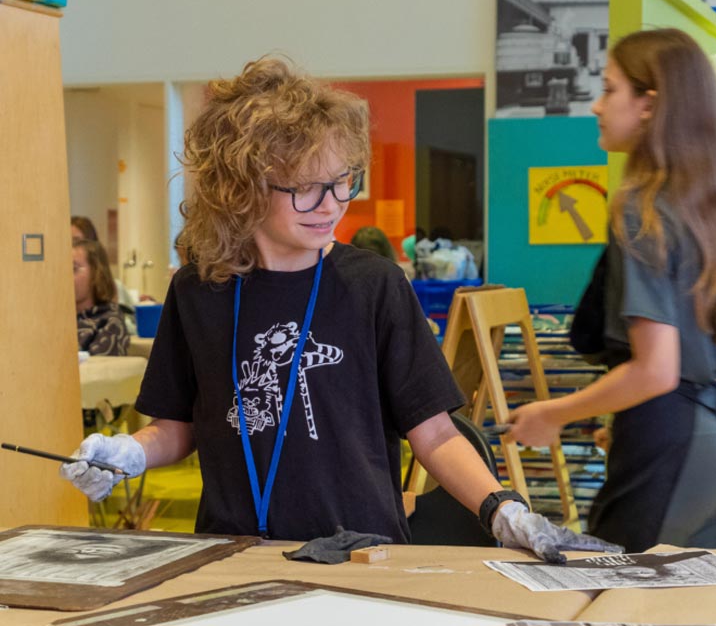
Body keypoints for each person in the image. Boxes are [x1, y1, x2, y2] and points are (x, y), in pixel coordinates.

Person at [60, 56, 618, 562]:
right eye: (306, 188)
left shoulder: (372, 285)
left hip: (362, 553)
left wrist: (502, 509)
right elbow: (178, 428)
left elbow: (436, 433)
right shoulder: (199, 290)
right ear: (241, 188)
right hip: (231, 554)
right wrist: (128, 451)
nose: (331, 205)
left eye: (341, 182)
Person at [509, 28, 716, 552]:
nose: (597, 106)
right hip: (703, 436)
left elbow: (656, 369)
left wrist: (552, 414)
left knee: (618, 593)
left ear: (649, 105)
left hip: (671, 438)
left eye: (608, 89)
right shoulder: (702, 203)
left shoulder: (640, 207)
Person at [73, 238, 130, 356]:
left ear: (96, 272)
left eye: (74, 269)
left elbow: (100, 371)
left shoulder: (110, 321)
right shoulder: (57, 319)